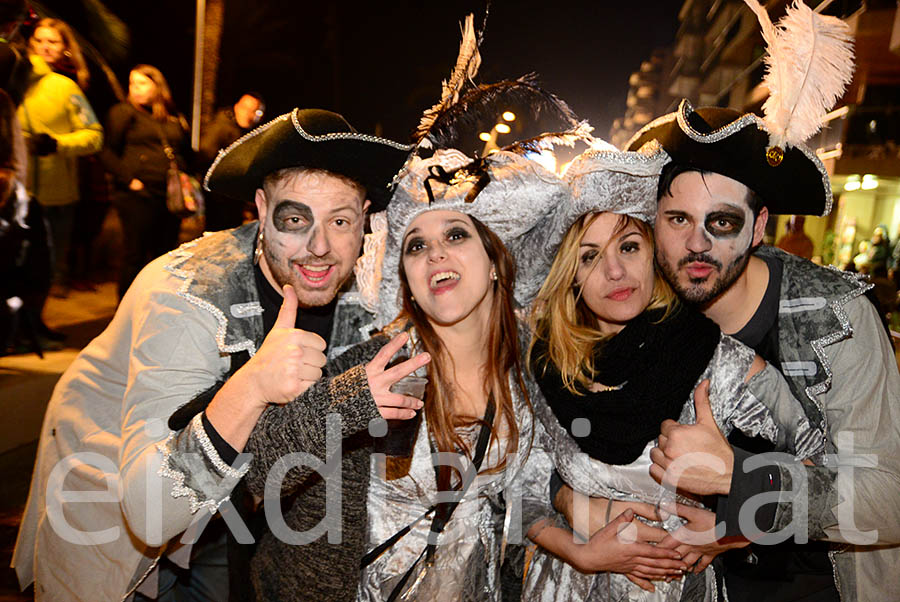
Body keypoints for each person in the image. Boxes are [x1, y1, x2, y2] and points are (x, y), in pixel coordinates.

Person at [12, 107, 414, 601]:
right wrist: (252, 384)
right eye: (295, 219)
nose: (320, 247)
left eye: (341, 220)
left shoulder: (363, 292)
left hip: (236, 512)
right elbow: (151, 509)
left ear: (365, 221)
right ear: (262, 210)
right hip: (115, 501)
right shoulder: (185, 294)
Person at [621, 96, 900, 600]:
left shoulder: (837, 318)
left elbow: (889, 498)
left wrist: (743, 483)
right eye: (678, 219)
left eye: (722, 222)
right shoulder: (639, 311)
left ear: (758, 226)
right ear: (654, 222)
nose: (698, 244)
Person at [520, 145, 823, 601]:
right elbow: (520, 485)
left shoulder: (714, 359)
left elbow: (820, 454)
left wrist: (738, 525)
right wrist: (576, 546)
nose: (615, 271)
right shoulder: (545, 365)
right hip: (562, 586)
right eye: (589, 257)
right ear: (570, 275)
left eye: (628, 246)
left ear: (653, 253)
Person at [18, 22, 102, 298]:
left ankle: (34, 327)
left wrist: (57, 144)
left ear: (65, 47)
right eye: (39, 40)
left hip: (58, 195)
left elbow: (94, 135)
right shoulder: (11, 78)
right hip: (14, 191)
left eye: (53, 41)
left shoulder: (67, 87)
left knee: (48, 267)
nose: (45, 46)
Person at [99, 64, 189, 298]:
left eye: (141, 83)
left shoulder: (172, 117)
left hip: (169, 196)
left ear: (157, 86)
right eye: (132, 83)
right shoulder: (123, 113)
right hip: (138, 195)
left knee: (165, 254)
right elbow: (106, 151)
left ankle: (157, 304)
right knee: (135, 254)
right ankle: (126, 309)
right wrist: (129, 180)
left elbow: (185, 152)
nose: (135, 89)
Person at [199, 92, 265, 231]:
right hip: (219, 195)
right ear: (237, 107)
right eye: (246, 109)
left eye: (255, 112)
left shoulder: (241, 130)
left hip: (230, 194)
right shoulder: (223, 126)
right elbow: (205, 152)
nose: (250, 115)